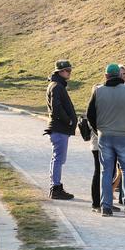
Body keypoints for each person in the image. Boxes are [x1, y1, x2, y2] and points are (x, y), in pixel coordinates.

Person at [86, 63, 125, 217]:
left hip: (105, 135)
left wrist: (98, 129)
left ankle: (106, 206)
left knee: (106, 171)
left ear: (106, 76)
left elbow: (89, 114)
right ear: (119, 75)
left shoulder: (98, 92)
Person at [46, 60, 77, 200]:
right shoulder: (57, 86)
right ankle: (55, 188)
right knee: (58, 159)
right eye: (67, 71)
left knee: (57, 158)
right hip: (59, 128)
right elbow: (56, 108)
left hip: (59, 128)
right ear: (59, 72)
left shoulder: (56, 85)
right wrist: (69, 120)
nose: (69, 73)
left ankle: (55, 186)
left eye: (70, 70)